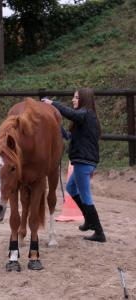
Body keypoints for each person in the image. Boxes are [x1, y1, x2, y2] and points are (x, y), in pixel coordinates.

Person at [42, 88, 106, 243]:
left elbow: (72, 114)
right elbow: (73, 137)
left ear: (83, 99)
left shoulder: (85, 114)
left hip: (83, 161)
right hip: (83, 161)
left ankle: (99, 232)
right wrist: (61, 130)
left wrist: (53, 103)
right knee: (71, 188)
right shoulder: (87, 117)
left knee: (86, 196)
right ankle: (89, 220)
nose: (73, 100)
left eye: (76, 97)